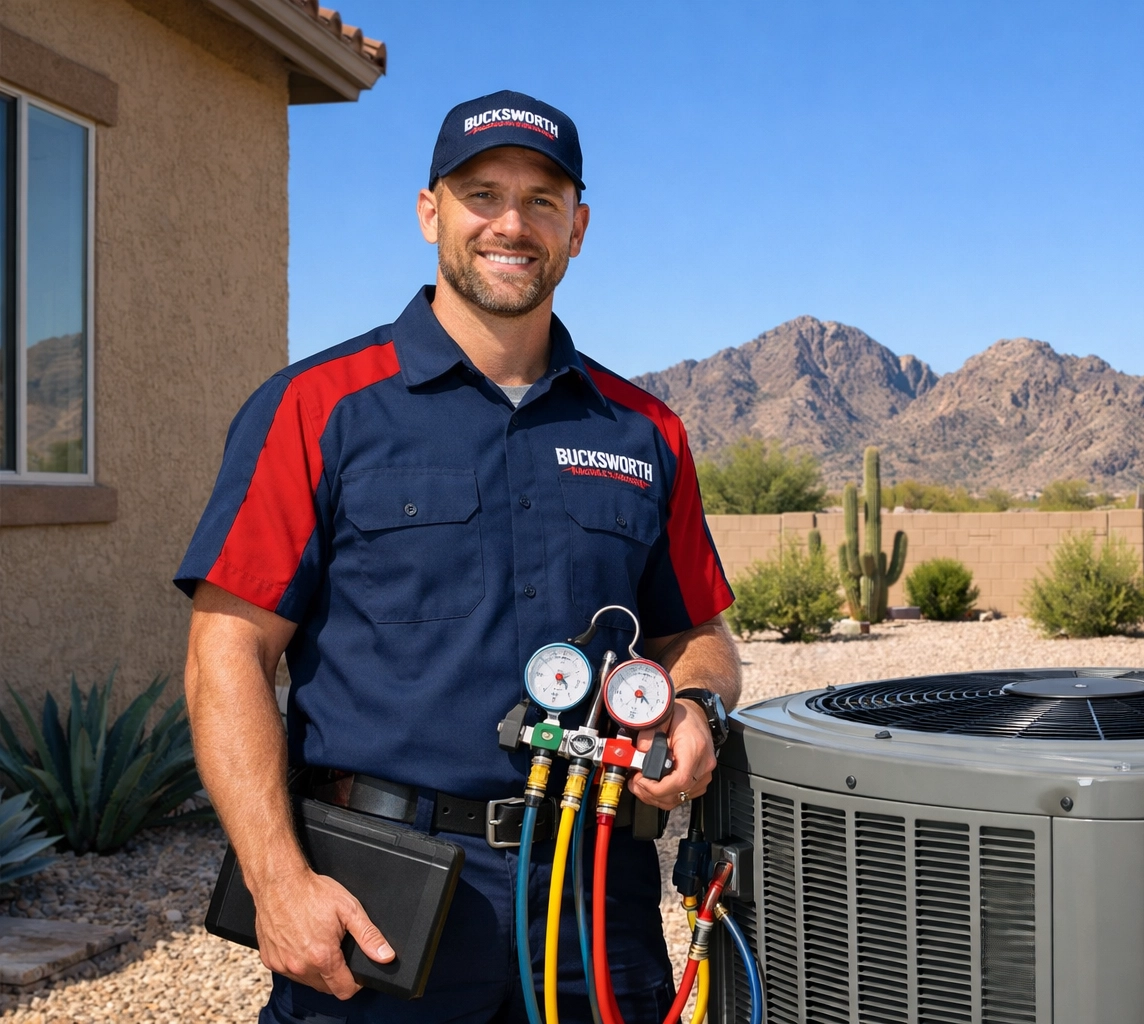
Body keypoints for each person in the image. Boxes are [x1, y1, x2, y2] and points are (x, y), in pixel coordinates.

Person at [176, 90, 740, 1023]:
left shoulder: (645, 432)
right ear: (431, 212)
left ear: (579, 228)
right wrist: (278, 884)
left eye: (542, 200)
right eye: (481, 194)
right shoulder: (318, 409)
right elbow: (224, 653)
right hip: (382, 907)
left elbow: (698, 635)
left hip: (598, 906)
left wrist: (696, 706)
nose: (511, 224)